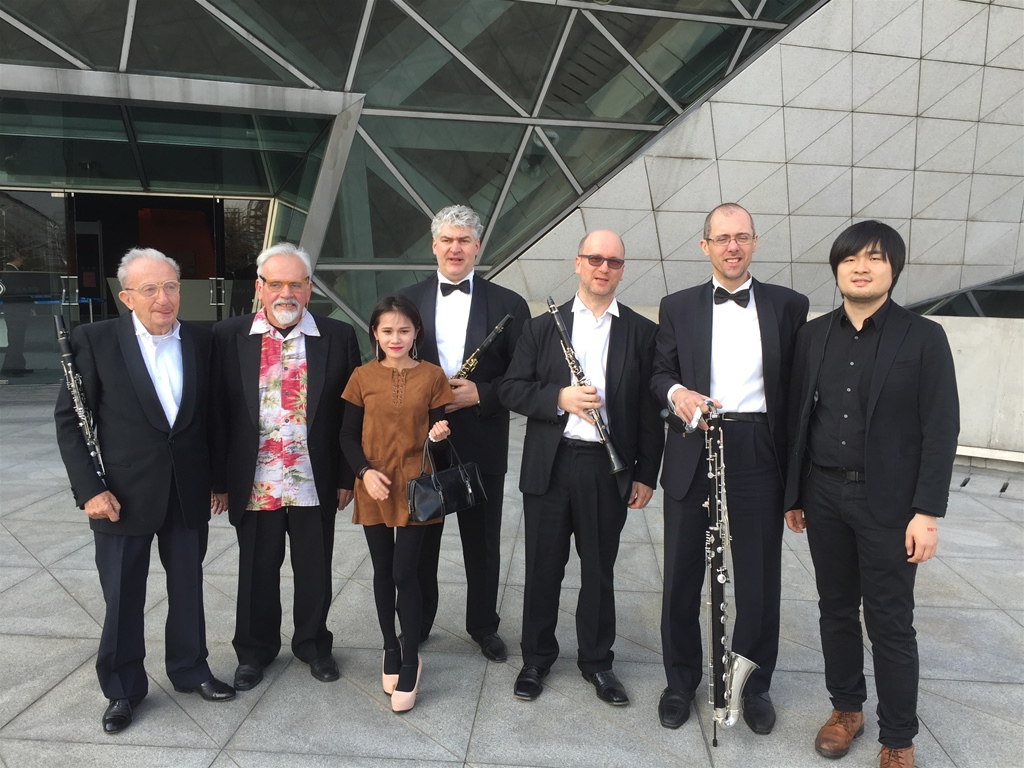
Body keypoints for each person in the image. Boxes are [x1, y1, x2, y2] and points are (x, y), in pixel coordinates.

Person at [784, 221, 959, 768]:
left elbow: (940, 426)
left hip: (890, 505)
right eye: (851, 258)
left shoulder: (923, 337)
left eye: (876, 258)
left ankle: (898, 739)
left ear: (893, 268)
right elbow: (798, 420)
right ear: (836, 268)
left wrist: (927, 512)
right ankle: (846, 711)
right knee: (834, 609)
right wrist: (794, 494)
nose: (862, 267)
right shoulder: (813, 335)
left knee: (889, 619)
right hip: (824, 495)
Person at [55, 248, 234, 735]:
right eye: (150, 289)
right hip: (120, 496)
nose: (163, 298)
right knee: (123, 596)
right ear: (126, 296)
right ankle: (122, 689)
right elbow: (71, 421)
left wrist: (218, 481)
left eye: (171, 286)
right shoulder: (93, 340)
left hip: (187, 490)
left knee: (189, 587)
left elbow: (212, 417)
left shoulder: (202, 339)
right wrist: (89, 490)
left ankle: (191, 668)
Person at [651, 203, 808, 732]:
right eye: (722, 239)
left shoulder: (790, 305)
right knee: (681, 576)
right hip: (697, 443)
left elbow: (799, 389)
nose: (732, 247)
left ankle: (752, 684)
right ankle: (680, 682)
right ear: (705, 247)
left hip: (758, 446)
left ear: (755, 243)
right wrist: (677, 393)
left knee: (759, 578)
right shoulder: (676, 306)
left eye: (742, 237)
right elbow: (659, 373)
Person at [499, 230, 664, 706]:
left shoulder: (641, 331)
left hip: (606, 469)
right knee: (542, 568)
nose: (603, 268)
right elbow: (511, 389)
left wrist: (644, 474)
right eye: (595, 258)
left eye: (613, 261)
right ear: (577, 264)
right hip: (550, 465)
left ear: (621, 270)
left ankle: (597, 663)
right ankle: (536, 659)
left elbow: (651, 413)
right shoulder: (540, 328)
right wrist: (559, 398)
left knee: (599, 571)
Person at [211, 242, 361, 692]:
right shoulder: (227, 335)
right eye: (275, 283)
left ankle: (314, 645)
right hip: (254, 480)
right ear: (259, 288)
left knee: (315, 569)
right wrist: (218, 481)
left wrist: (344, 476)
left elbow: (349, 414)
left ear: (310, 288)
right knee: (257, 570)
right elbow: (217, 412)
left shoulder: (337, 336)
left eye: (296, 283)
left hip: (313, 480)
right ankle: (254, 652)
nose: (286, 292)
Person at [398, 204, 528, 662]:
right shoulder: (405, 300)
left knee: (483, 541)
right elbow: (388, 367)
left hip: (481, 437)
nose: (456, 248)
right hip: (423, 440)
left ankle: (483, 626)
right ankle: (418, 622)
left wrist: (483, 394)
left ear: (478, 247)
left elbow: (522, 377)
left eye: (464, 240)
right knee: (421, 539)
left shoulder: (510, 305)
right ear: (434, 245)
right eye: (447, 240)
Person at [340, 295, 453, 713]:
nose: (395, 338)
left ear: (416, 333)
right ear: (374, 332)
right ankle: (389, 645)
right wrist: (364, 473)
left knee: (406, 571)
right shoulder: (361, 377)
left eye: (404, 330)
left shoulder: (432, 376)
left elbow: (441, 432)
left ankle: (409, 656)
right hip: (374, 482)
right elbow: (347, 436)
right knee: (382, 570)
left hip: (416, 486)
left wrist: (440, 437)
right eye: (387, 330)